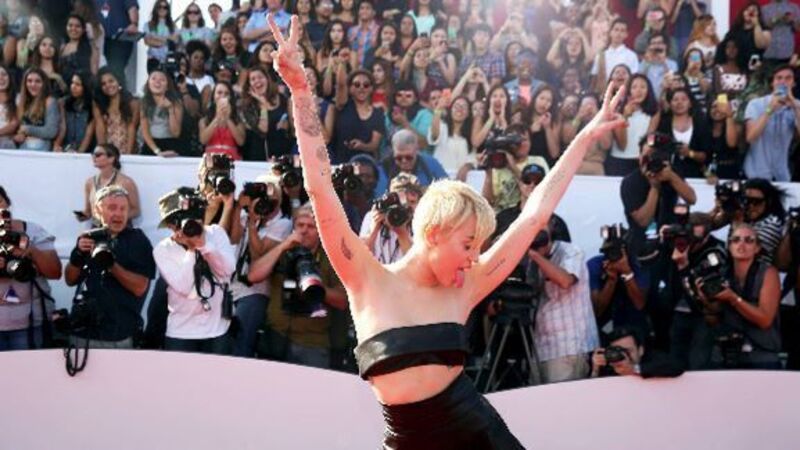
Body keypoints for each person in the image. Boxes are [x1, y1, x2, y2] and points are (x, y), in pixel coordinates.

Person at [266, 14, 626, 448]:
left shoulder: (469, 284)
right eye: (468, 244)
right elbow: (320, 188)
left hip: (480, 437)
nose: (475, 257)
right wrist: (301, 92)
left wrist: (584, 138)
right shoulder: (367, 278)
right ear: (434, 232)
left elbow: (534, 215)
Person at [247, 203, 348, 368]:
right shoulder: (282, 250)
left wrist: (316, 288)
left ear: (320, 231)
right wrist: (283, 246)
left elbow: (343, 301)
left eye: (311, 227)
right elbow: (253, 276)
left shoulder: (331, 259)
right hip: (276, 336)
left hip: (312, 342)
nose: (304, 231)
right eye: (300, 225)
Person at [64, 185, 154, 348]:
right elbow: (70, 280)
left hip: (118, 335)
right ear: (97, 210)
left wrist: (111, 265)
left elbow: (140, 288)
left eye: (123, 208)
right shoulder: (89, 237)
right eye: (112, 208)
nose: (118, 213)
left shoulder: (137, 240)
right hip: (82, 332)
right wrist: (77, 255)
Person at [152, 187, 236, 354]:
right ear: (170, 225)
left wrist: (203, 245)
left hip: (217, 330)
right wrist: (192, 250)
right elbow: (183, 286)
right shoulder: (163, 249)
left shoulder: (216, 233)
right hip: (181, 333)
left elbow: (227, 270)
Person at [698, 223, 782, 369]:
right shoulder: (721, 273)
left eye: (749, 240)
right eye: (736, 240)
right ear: (729, 246)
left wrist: (733, 298)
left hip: (761, 353)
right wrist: (705, 300)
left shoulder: (768, 273)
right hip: (726, 352)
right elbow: (714, 319)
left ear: (757, 248)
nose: (741, 244)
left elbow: (765, 320)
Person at [227, 174, 292, 358]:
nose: (267, 205)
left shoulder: (283, 223)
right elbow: (233, 239)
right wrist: (239, 207)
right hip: (234, 287)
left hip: (256, 291)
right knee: (231, 340)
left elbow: (259, 255)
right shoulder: (250, 214)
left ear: (280, 200)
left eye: (273, 200)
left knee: (242, 342)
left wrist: (252, 225)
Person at [527, 223, 600, 384]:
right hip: (542, 347)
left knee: (562, 399)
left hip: (568, 347)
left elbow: (565, 280)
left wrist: (534, 255)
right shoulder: (530, 258)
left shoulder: (571, 251)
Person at [0, 186, 62, 350]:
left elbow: (55, 272)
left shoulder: (33, 231)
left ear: (7, 203)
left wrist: (31, 251)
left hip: (31, 325)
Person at [743, 64, 800, 182]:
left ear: (794, 83)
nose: (783, 82)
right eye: (779, 78)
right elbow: (750, 137)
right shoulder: (756, 104)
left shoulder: (797, 106)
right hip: (756, 173)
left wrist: (795, 107)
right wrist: (770, 109)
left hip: (782, 174)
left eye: (788, 78)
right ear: (772, 83)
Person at [359, 174, 422, 265]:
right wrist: (373, 232)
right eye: (401, 201)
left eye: (412, 202)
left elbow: (417, 263)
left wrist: (402, 233)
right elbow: (360, 259)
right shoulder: (371, 217)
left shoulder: (422, 222)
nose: (406, 207)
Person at [79, 143, 141, 226]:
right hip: (97, 227)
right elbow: (88, 211)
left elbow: (136, 211)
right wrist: (81, 216)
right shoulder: (90, 182)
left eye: (98, 155)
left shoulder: (126, 182)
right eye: (93, 154)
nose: (94, 157)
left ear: (111, 159)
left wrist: (115, 217)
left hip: (119, 228)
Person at [590, 326, 684, 378]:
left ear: (640, 350)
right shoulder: (609, 366)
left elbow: (676, 366)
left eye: (628, 351)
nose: (624, 355)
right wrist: (596, 370)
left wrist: (634, 369)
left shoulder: (651, 359)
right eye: (618, 351)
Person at [379, 129, 447, 195]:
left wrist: (420, 190)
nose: (404, 161)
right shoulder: (383, 168)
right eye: (399, 158)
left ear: (416, 151)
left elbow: (448, 189)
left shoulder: (430, 164)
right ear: (393, 153)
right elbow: (378, 196)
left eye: (409, 157)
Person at [14, 68, 60, 151]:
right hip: (23, 145)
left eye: (38, 81)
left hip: (42, 145)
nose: (33, 84)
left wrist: (27, 129)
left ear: (44, 84)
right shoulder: (20, 101)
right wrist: (19, 135)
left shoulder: (50, 101)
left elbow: (51, 131)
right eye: (29, 81)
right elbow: (18, 129)